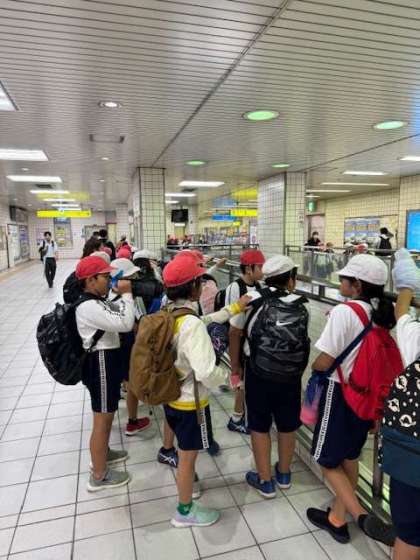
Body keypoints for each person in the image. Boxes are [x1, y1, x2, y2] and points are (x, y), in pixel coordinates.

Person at [306, 254, 396, 546]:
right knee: (350, 457)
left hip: (339, 394)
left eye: (344, 278)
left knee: (326, 460)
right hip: (364, 397)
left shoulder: (345, 311)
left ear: (357, 284)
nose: (340, 281)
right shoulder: (380, 314)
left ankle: (359, 515)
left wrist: (313, 369)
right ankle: (336, 518)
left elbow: (325, 360)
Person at [231, 256, 309, 497]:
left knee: (259, 425)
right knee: (287, 425)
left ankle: (265, 481)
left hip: (258, 372)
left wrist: (235, 368)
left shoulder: (252, 299)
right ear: (291, 280)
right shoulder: (300, 304)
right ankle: (284, 474)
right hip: (291, 376)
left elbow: (234, 332)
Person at [161, 254, 229, 527]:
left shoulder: (169, 313)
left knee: (184, 453)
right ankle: (184, 511)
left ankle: (187, 497)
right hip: (191, 403)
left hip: (171, 397)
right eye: (200, 281)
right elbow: (206, 372)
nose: (203, 285)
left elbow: (201, 320)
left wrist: (232, 309)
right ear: (193, 287)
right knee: (187, 459)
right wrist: (228, 378)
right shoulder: (192, 325)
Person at [75, 255, 136, 491]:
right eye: (105, 277)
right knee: (102, 419)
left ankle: (104, 453)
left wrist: (118, 295)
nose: (109, 280)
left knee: (107, 414)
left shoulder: (96, 300)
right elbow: (125, 324)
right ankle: (99, 475)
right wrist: (127, 294)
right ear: (91, 280)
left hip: (106, 359)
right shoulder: (88, 306)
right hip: (100, 361)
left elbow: (117, 314)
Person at [385, 249, 420, 560]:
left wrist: (407, 283)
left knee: (409, 533)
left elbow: (402, 313)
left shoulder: (417, 338)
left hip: (413, 459)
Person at [109, 258, 152, 436]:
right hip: (127, 346)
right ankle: (132, 422)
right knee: (132, 383)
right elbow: (138, 324)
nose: (134, 281)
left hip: (112, 348)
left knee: (120, 384)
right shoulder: (130, 299)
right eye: (131, 278)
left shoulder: (107, 296)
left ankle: (110, 420)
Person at [227, 249, 265, 434]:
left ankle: (241, 415)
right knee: (239, 378)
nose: (263, 270)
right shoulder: (235, 287)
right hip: (237, 341)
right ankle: (236, 418)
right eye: (260, 267)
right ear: (249, 268)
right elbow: (230, 318)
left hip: (250, 342)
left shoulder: (259, 286)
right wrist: (234, 361)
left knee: (246, 381)